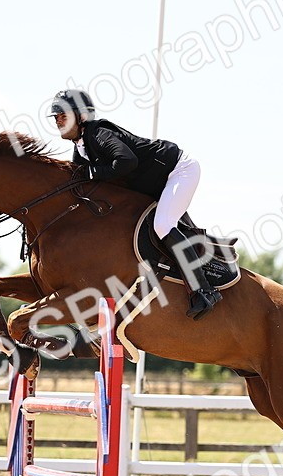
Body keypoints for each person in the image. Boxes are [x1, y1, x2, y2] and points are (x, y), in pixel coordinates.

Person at [48, 88, 222, 320]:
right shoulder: (81, 149)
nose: (58, 120)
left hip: (179, 170)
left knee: (162, 225)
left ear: (81, 117)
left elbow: (127, 161)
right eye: (56, 117)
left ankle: (203, 290)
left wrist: (92, 172)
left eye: (63, 115)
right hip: (157, 181)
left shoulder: (98, 133)